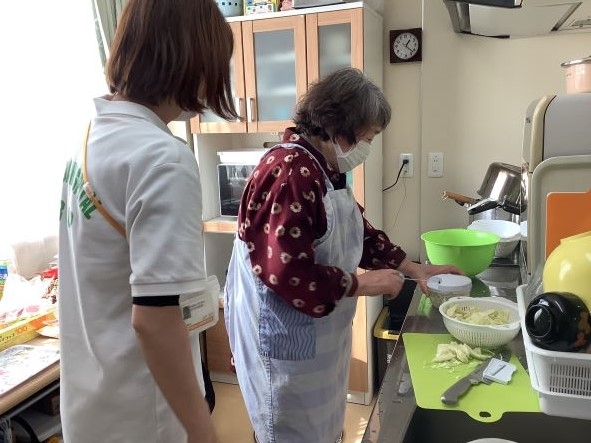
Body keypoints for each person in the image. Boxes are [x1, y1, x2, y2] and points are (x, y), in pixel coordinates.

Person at [224, 67, 462, 443]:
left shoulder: (322, 168)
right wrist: (361, 282)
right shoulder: (290, 174)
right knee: (287, 432)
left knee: (319, 431)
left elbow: (355, 232)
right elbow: (285, 272)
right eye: (366, 137)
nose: (366, 148)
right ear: (338, 129)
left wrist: (414, 268)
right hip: (285, 344)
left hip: (315, 340)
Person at [58, 1, 237, 442]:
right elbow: (155, 322)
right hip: (144, 414)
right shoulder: (161, 158)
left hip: (91, 407)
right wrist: (203, 432)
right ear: (190, 61)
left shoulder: (90, 138)